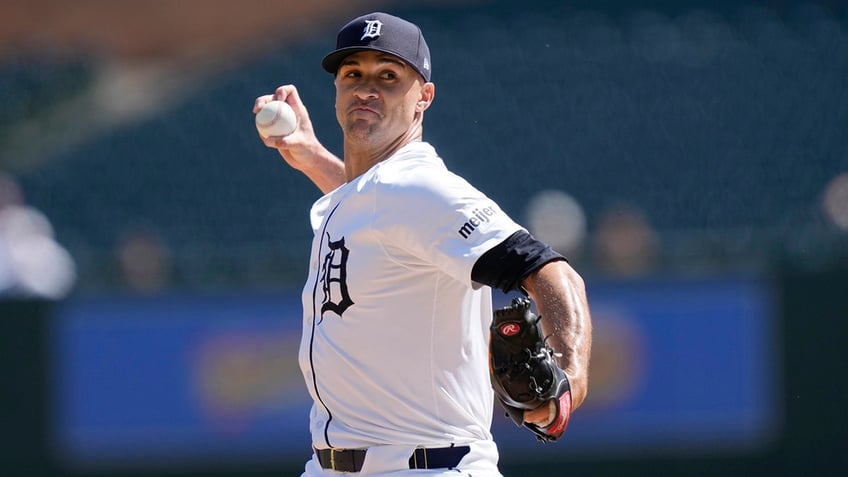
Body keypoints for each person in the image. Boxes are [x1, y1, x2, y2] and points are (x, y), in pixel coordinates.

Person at [253, 12, 592, 477]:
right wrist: (311, 157)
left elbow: (551, 271)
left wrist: (571, 376)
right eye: (353, 74)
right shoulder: (372, 196)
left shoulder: (421, 186)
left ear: (423, 98)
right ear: (336, 91)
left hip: (427, 465)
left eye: (388, 76)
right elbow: (377, 213)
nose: (366, 88)